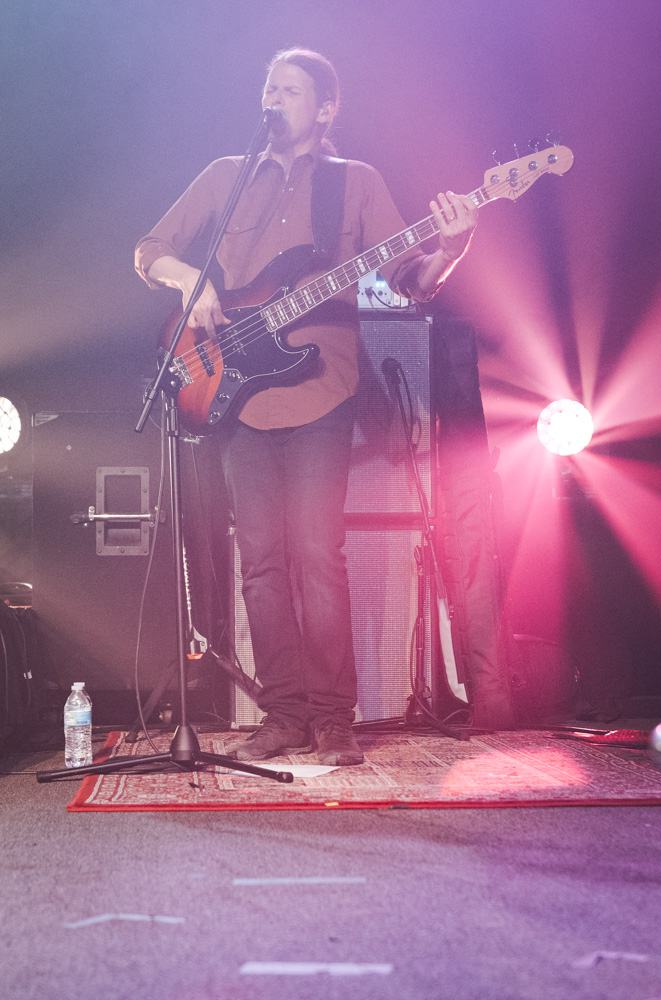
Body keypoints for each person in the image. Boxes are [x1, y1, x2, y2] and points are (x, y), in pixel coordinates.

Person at [135, 48, 477, 766]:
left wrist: (449, 248)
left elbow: (407, 278)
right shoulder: (225, 177)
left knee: (318, 557)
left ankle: (332, 717)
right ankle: (283, 712)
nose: (273, 97)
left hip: (322, 390)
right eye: (268, 87)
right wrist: (188, 280)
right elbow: (150, 249)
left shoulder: (355, 183)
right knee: (259, 562)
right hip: (237, 396)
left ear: (324, 109)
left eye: (289, 89)